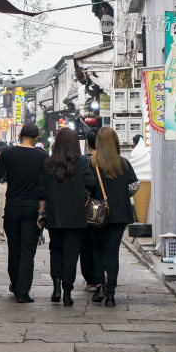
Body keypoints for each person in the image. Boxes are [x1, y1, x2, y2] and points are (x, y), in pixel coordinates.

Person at [0, 123, 46, 303]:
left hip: (12, 208)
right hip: (32, 209)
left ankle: (15, 283)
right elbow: (43, 187)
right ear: (36, 139)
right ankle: (22, 291)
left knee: (14, 247)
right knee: (27, 250)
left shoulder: (8, 153)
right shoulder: (42, 156)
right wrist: (42, 211)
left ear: (20, 136)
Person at [38, 127, 96, 307]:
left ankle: (56, 287)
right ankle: (67, 293)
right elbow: (92, 182)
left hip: (54, 216)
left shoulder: (48, 163)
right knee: (71, 254)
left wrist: (41, 213)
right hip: (76, 217)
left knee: (56, 250)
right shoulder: (82, 162)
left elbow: (42, 190)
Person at [89, 127, 138, 308]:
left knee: (98, 251)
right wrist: (122, 195)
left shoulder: (92, 163)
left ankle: (100, 285)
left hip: (97, 215)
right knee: (113, 253)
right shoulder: (123, 163)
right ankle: (111, 294)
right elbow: (134, 185)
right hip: (119, 214)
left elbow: (86, 187)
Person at [80, 128, 98, 292]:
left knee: (86, 246)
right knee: (104, 245)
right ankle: (103, 276)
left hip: (86, 208)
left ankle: (91, 280)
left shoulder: (82, 161)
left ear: (87, 142)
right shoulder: (113, 160)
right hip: (107, 210)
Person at [129, 134, 150, 224]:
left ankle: (142, 221)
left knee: (142, 209)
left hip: (139, 178)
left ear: (134, 143)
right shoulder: (146, 154)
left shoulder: (135, 154)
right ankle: (142, 221)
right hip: (146, 178)